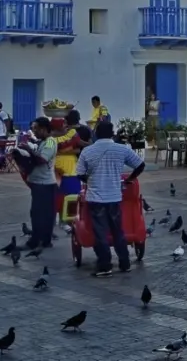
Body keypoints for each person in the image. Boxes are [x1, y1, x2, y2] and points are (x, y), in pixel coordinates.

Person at [75, 118, 144, 277]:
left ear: (96, 134)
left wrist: (90, 181)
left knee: (100, 233)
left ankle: (105, 265)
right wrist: (130, 179)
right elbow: (140, 165)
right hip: (114, 197)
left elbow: (80, 174)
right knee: (118, 231)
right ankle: (125, 263)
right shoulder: (122, 149)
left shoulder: (88, 151)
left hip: (96, 198)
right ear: (113, 134)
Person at [18, 117, 59, 251]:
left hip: (44, 184)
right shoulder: (43, 142)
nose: (33, 131)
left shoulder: (50, 142)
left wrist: (28, 150)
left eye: (35, 128)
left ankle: (36, 241)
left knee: (39, 213)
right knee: (43, 213)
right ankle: (44, 240)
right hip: (39, 183)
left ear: (43, 129)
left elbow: (42, 159)